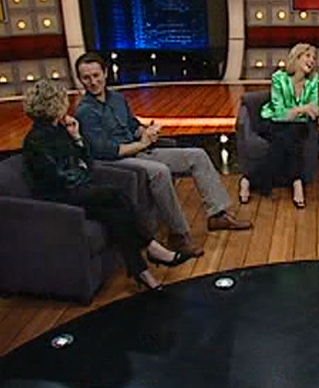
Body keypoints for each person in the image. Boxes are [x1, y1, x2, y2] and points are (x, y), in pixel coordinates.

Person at [21, 80, 197, 292]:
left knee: (116, 213)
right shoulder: (36, 140)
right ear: (53, 105)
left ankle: (141, 271)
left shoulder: (60, 130)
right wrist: (83, 177)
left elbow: (86, 161)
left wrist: (77, 137)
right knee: (115, 196)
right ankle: (153, 249)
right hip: (59, 196)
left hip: (77, 187)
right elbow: (56, 178)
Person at [73, 53, 251, 255]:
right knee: (160, 171)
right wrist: (141, 144)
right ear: (80, 80)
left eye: (96, 75)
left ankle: (218, 215)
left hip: (140, 149)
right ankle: (178, 235)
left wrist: (146, 131)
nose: (93, 82)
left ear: (105, 73)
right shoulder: (85, 112)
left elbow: (133, 125)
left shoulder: (117, 99)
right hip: (118, 160)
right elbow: (105, 151)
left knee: (198, 155)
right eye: (86, 78)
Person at [238, 42, 319, 208]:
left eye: (314, 58)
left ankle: (249, 179)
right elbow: (279, 113)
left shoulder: (313, 80)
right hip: (272, 122)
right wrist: (302, 109)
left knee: (288, 136)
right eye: (308, 56)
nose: (312, 60)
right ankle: (297, 182)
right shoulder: (279, 78)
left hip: (298, 125)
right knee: (289, 137)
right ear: (296, 58)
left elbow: (314, 108)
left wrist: (302, 111)